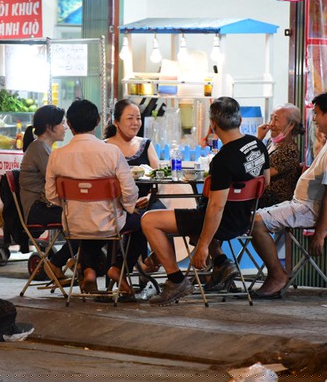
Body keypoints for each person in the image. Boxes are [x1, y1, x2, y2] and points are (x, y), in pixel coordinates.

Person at [140, 97, 270, 306]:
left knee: (149, 220)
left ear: (213, 125)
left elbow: (216, 208)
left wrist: (203, 245)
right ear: (240, 119)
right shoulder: (257, 145)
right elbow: (265, 182)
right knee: (192, 214)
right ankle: (221, 263)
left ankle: (176, 281)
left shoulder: (223, 159)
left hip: (223, 222)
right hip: (245, 219)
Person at [248, 91, 327, 299]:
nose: (314, 119)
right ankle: (275, 273)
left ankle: (277, 275)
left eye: (317, 113)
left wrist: (319, 234)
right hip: (306, 205)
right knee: (255, 218)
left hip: (308, 208)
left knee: (255, 222)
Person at [45, 99, 145, 300]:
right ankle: (118, 268)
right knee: (143, 222)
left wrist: (73, 205)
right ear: (98, 121)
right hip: (109, 224)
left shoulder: (57, 155)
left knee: (87, 217)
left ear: (70, 125)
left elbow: (51, 195)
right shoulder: (111, 152)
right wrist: (127, 207)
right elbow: (130, 191)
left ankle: (89, 273)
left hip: (73, 225)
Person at [105, 98, 164, 275]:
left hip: (145, 201)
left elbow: (158, 176)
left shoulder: (146, 144)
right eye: (130, 118)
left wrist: (149, 197)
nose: (135, 123)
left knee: (162, 215)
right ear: (116, 121)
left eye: (138, 118)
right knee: (143, 220)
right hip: (115, 205)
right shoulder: (106, 146)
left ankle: (153, 258)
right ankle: (126, 269)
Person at [18, 105, 72, 284]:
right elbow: (58, 178)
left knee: (84, 219)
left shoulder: (42, 148)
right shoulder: (39, 148)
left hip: (43, 205)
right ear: (50, 127)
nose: (65, 127)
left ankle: (74, 262)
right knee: (82, 220)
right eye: (62, 123)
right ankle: (57, 264)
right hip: (36, 210)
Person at [256, 104, 304, 208]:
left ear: (291, 125)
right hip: (259, 199)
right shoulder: (270, 142)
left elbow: (259, 173)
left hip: (274, 205)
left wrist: (258, 140)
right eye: (271, 118)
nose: (271, 124)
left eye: (276, 120)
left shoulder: (290, 151)